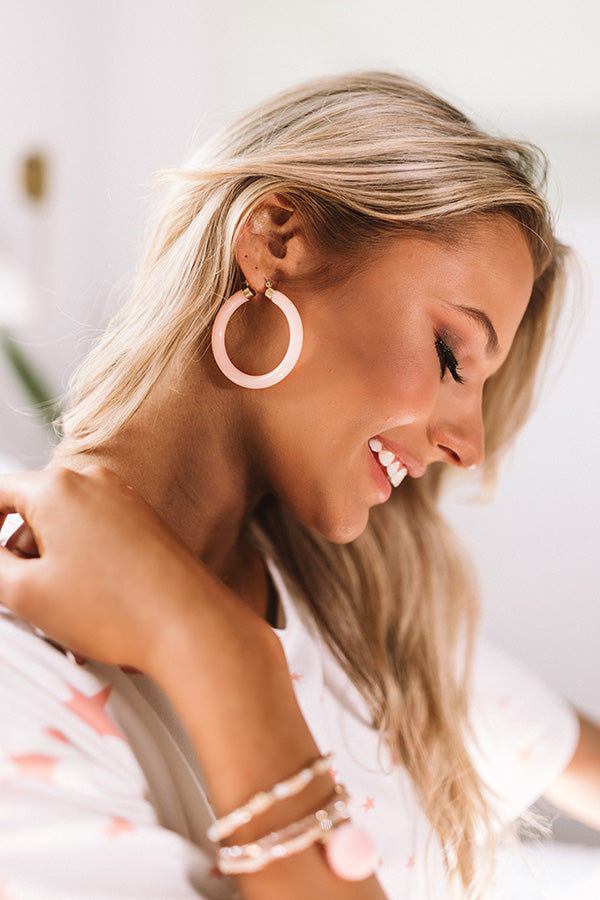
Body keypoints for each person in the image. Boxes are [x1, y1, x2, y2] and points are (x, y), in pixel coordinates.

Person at [0, 71, 598, 900]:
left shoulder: (364, 621)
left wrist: (204, 632)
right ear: (276, 241)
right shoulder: (20, 666)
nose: (469, 444)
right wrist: (215, 655)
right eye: (453, 357)